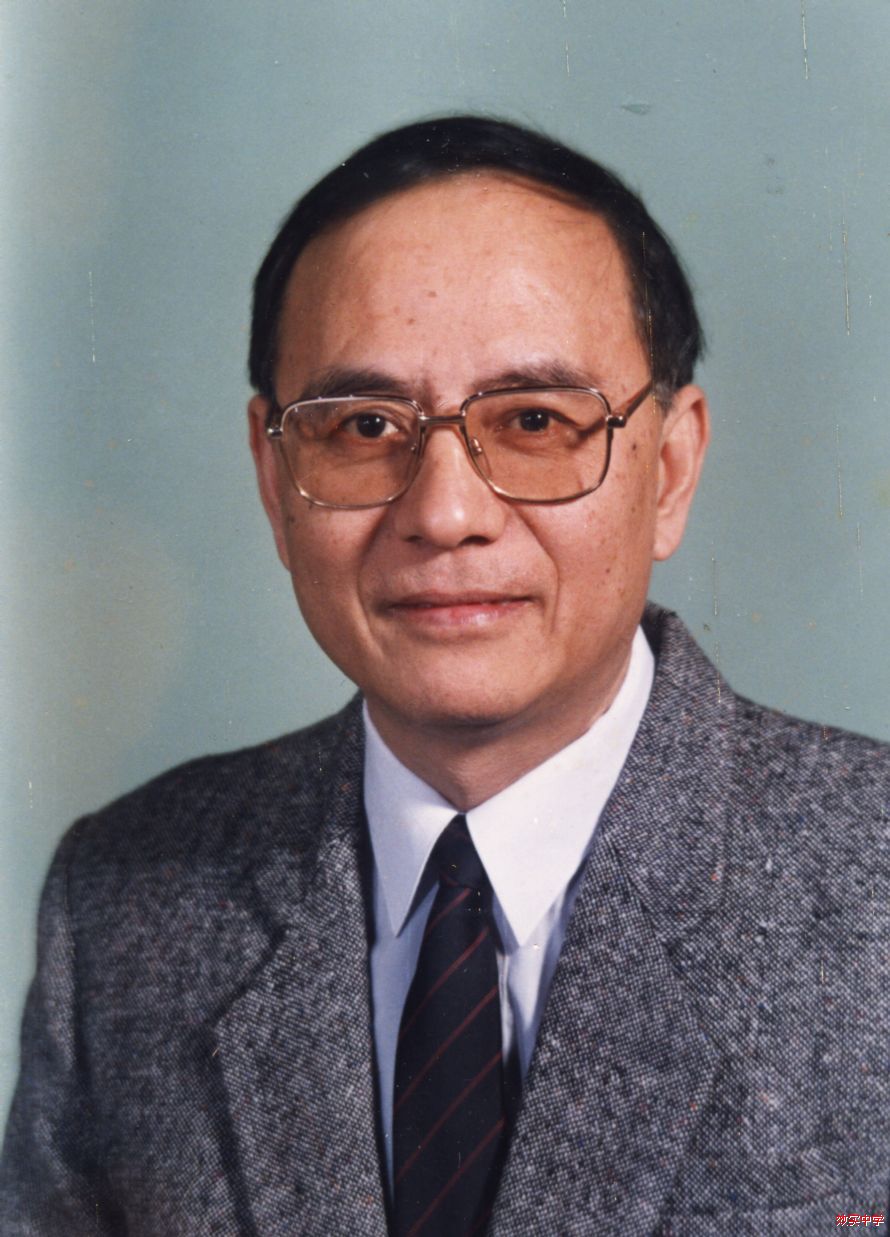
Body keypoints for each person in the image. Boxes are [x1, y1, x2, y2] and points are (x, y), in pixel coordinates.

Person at [1, 116, 888, 1236]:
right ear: (275, 480)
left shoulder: (868, 881)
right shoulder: (127, 900)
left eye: (534, 420)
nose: (445, 513)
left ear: (668, 470)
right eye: (364, 425)